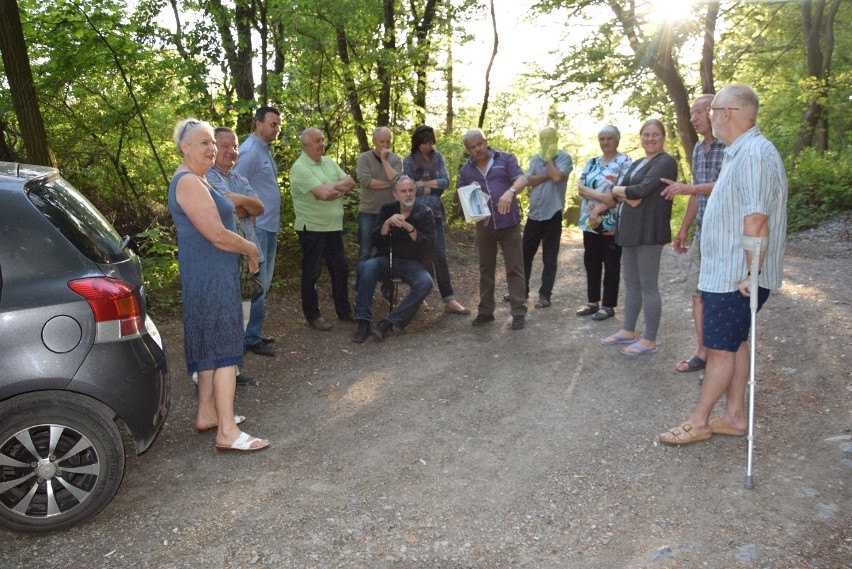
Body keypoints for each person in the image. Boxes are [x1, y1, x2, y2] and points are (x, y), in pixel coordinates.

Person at [659, 84, 787, 445]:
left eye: (712, 110)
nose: (709, 117)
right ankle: (732, 416)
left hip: (736, 276)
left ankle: (699, 422)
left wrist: (751, 272)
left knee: (718, 348)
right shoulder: (739, 152)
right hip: (728, 272)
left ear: (727, 113)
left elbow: (756, 219)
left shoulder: (753, 155)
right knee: (734, 342)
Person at [167, 118, 268, 452]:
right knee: (226, 350)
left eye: (213, 142)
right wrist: (250, 248)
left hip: (210, 276)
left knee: (210, 348)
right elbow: (215, 234)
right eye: (204, 143)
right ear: (184, 147)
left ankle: (207, 414)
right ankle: (226, 432)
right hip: (209, 279)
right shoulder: (188, 183)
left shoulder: (198, 180)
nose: (212, 149)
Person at [661, 95, 726, 373]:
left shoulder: (732, 146)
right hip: (703, 233)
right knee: (697, 293)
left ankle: (724, 353)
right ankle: (703, 352)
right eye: (691, 114)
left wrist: (689, 188)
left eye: (699, 112)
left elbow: (726, 185)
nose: (693, 118)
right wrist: (684, 229)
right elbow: (697, 192)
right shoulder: (699, 148)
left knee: (722, 296)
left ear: (714, 113)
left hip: (727, 234)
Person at [601, 119, 678, 356]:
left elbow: (641, 190)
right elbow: (617, 191)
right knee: (631, 283)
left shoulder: (666, 162)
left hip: (650, 231)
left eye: (656, 135)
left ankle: (650, 339)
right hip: (630, 230)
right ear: (640, 137)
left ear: (663, 137)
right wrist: (621, 193)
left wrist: (621, 192)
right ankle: (627, 330)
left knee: (648, 286)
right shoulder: (637, 163)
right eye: (646, 135)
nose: (651, 139)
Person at [206, 126, 267, 386]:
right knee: (224, 315)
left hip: (248, 252)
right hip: (226, 255)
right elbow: (225, 207)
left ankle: (233, 369)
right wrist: (241, 205)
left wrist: (239, 203)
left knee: (241, 313)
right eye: (225, 146)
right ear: (212, 147)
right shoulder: (206, 176)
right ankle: (217, 371)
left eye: (234, 146)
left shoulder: (238, 177)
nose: (232, 151)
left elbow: (259, 207)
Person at [457, 129, 529, 330]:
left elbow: (522, 179)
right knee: (485, 268)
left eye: (480, 144)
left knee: (515, 267)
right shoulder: (466, 170)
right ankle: (486, 312)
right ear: (468, 150)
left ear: (485, 142)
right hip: (484, 224)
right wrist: (468, 189)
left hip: (509, 222)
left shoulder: (505, 159)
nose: (478, 149)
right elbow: (461, 194)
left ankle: (518, 312)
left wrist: (511, 191)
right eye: (473, 147)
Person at [352, 176, 436, 343]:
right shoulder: (387, 209)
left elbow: (429, 246)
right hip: (386, 259)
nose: (408, 194)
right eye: (403, 191)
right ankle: (363, 321)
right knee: (367, 266)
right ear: (395, 194)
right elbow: (375, 241)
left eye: (411, 190)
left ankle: (389, 322)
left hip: (413, 263)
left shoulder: (425, 212)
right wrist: (386, 224)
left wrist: (409, 227)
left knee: (425, 282)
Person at [289, 128, 357, 331]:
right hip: (312, 228)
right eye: (317, 141)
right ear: (305, 145)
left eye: (322, 140)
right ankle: (313, 315)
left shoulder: (328, 162)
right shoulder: (300, 168)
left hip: (333, 227)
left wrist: (330, 188)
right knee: (312, 272)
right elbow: (323, 194)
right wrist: (335, 189)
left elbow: (351, 182)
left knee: (341, 269)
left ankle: (344, 312)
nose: (321, 144)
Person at [402, 125, 469, 315]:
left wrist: (423, 184)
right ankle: (420, 297)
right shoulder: (408, 161)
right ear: (417, 142)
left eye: (430, 142)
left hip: (435, 214)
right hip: (415, 216)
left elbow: (445, 182)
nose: (427, 146)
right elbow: (408, 187)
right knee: (421, 256)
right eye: (424, 143)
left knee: (440, 255)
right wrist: (430, 186)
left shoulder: (438, 157)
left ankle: (449, 300)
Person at [234, 106, 281, 357]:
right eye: (272, 124)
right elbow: (235, 188)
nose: (276, 129)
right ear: (258, 124)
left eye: (278, 125)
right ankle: (249, 338)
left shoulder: (263, 150)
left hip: (269, 226)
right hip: (257, 228)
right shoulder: (249, 151)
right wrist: (247, 221)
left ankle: (253, 332)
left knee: (264, 284)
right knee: (257, 284)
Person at [575, 126, 632, 321]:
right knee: (591, 261)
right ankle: (592, 302)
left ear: (617, 140)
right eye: (602, 138)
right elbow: (580, 188)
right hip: (589, 222)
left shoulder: (625, 161)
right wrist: (602, 197)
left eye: (609, 138)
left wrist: (599, 208)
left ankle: (608, 305)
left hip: (611, 222)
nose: (605, 142)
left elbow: (622, 190)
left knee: (611, 263)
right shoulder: (591, 162)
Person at [517, 126, 573, 309]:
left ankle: (544, 295)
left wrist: (549, 160)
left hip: (553, 213)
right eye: (542, 138)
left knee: (549, 257)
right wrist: (547, 174)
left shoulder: (564, 158)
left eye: (549, 138)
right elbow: (528, 181)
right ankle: (521, 292)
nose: (545, 142)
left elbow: (557, 178)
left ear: (556, 139)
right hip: (535, 214)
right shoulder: (534, 158)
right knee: (525, 254)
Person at [356, 126, 403, 277]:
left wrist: (385, 160)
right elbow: (368, 182)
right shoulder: (364, 158)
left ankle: (386, 290)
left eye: (388, 142)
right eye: (382, 141)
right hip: (368, 212)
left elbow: (399, 182)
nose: (385, 145)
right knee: (365, 252)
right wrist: (391, 184)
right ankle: (361, 290)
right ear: (374, 141)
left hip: (390, 214)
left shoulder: (395, 160)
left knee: (389, 253)